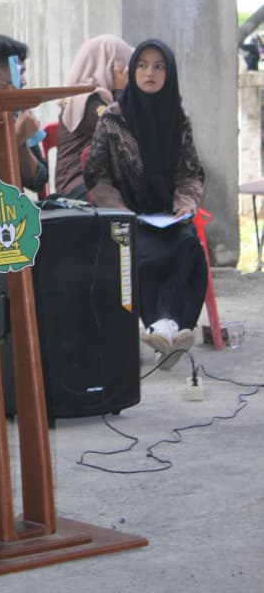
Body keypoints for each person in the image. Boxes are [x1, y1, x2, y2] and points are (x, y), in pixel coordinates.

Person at [83, 39, 208, 369]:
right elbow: (96, 175)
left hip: (169, 216)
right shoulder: (112, 119)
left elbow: (191, 172)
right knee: (150, 250)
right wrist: (120, 210)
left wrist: (184, 203)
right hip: (127, 218)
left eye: (158, 66)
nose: (149, 72)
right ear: (132, 70)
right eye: (142, 65)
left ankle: (162, 330)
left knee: (188, 247)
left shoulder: (178, 120)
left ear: (169, 73)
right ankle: (169, 329)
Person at [55, 34, 133, 200]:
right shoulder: (85, 100)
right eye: (123, 64)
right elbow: (122, 134)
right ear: (110, 66)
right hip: (78, 183)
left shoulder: (104, 98)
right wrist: (121, 92)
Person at [0, 34, 48, 197]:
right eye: (20, 72)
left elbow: (38, 181)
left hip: (14, 214)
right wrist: (14, 139)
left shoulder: (13, 115)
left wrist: (20, 142)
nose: (24, 81)